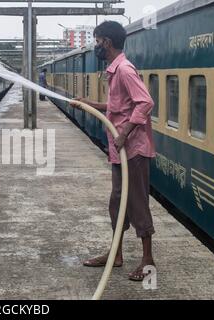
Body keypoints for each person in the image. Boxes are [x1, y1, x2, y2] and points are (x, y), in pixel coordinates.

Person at [70, 21, 156, 281]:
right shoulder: (115, 71)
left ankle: (148, 261)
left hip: (134, 150)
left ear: (106, 42)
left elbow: (145, 103)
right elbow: (118, 107)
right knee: (117, 203)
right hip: (120, 151)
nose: (95, 46)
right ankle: (116, 255)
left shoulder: (125, 70)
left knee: (137, 203)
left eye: (96, 41)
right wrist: (90, 105)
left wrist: (124, 133)